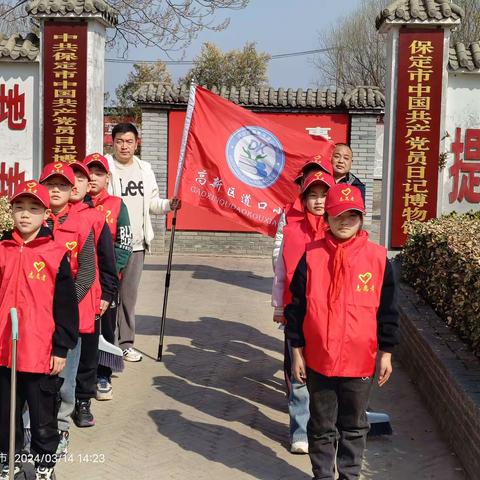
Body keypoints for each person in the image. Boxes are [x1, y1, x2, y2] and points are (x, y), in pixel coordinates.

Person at [285, 184, 399, 480]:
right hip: (319, 359)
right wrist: (297, 353)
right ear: (327, 217)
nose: (345, 221)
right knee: (321, 425)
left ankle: (349, 475)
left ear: (361, 218)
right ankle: (323, 475)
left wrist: (386, 353)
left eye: (353, 215)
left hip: (360, 360)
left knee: (354, 425)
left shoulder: (377, 259)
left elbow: (388, 312)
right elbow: (295, 310)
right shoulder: (311, 257)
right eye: (338, 214)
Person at [0, 180, 78, 480]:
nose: (24, 215)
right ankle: (9, 460)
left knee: (43, 413)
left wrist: (61, 348)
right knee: (5, 413)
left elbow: (66, 308)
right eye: (19, 208)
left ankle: (45, 464)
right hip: (5, 349)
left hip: (40, 351)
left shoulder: (55, 252)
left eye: (33, 209)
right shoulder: (3, 249)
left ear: (46, 214)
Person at [105, 123, 180, 362]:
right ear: (112, 142)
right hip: (109, 244)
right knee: (106, 294)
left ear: (137, 143)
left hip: (136, 246)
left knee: (128, 297)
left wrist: (170, 205)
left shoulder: (144, 168)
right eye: (119, 141)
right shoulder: (104, 166)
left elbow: (153, 203)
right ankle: (104, 343)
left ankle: (125, 343)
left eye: (129, 141)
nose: (124, 146)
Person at [272, 170, 334, 454]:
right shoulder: (292, 229)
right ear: (304, 199)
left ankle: (322, 428)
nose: (319, 201)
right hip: (297, 311)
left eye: (324, 195)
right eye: (313, 196)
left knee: (326, 374)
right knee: (298, 373)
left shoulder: (339, 228)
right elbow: (282, 272)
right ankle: (299, 430)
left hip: (331, 315)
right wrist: (279, 306)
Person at [39, 163, 97, 432]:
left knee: (64, 374)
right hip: (34, 312)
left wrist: (65, 307)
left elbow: (87, 271)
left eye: (62, 185)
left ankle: (61, 426)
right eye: (51, 184)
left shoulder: (82, 222)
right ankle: (31, 426)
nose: (56, 190)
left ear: (72, 189)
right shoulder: (30, 220)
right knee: (33, 372)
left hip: (67, 313)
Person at [69, 161, 119, 406]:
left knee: (87, 351)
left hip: (89, 294)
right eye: (71, 178)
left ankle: (83, 400)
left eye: (81, 179)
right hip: (57, 297)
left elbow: (107, 259)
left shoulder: (96, 217)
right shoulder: (48, 217)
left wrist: (108, 293)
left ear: (88, 185)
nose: (75, 184)